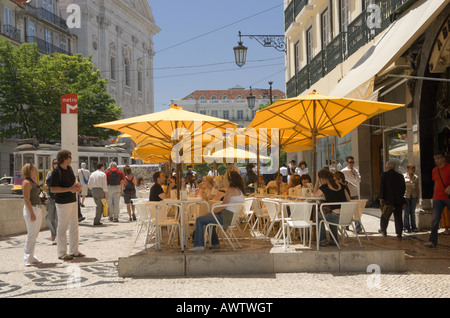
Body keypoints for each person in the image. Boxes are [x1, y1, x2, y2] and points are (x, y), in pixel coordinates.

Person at [190, 170, 246, 252]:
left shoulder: (230, 190)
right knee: (209, 218)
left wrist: (213, 211)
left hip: (225, 217)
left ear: (230, 181)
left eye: (226, 180)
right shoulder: (240, 191)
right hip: (232, 218)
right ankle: (214, 243)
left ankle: (199, 245)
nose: (225, 181)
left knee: (199, 220)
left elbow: (224, 205)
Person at [50, 150, 84, 261]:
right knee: (63, 227)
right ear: (64, 158)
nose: (71, 158)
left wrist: (76, 184)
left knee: (74, 225)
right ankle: (62, 253)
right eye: (69, 156)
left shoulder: (69, 168)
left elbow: (73, 179)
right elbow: (53, 189)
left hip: (72, 200)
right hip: (62, 202)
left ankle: (74, 250)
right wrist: (70, 189)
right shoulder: (56, 172)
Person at [313, 169, 350, 246]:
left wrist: (316, 181)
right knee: (330, 215)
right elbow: (348, 199)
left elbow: (315, 195)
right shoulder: (342, 186)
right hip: (345, 216)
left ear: (322, 179)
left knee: (319, 217)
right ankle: (334, 240)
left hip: (335, 217)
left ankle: (323, 240)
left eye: (320, 180)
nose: (320, 182)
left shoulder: (324, 187)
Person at [22, 163, 47, 266]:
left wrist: (43, 199)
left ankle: (31, 256)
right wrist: (32, 213)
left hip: (37, 208)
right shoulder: (26, 182)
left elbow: (37, 194)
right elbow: (26, 199)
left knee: (35, 234)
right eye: (35, 170)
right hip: (31, 209)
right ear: (29, 171)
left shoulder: (33, 182)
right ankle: (27, 257)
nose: (37, 171)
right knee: (31, 234)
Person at [426, 151, 450, 248]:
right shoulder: (434, 170)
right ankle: (432, 241)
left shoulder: (449, 167)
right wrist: (433, 196)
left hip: (448, 197)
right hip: (437, 198)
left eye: (439, 158)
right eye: (435, 158)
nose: (437, 160)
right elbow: (436, 184)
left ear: (444, 158)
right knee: (434, 220)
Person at [378, 160, 406, 238]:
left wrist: (381, 198)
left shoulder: (384, 175)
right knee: (398, 217)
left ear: (387, 167)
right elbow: (403, 188)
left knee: (385, 216)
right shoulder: (400, 176)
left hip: (387, 200)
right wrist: (400, 196)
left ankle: (383, 230)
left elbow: (381, 187)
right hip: (398, 200)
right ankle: (399, 232)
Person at [44, 159, 58, 242]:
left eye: (57, 163)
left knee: (57, 218)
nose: (55, 165)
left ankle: (56, 234)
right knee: (49, 217)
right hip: (51, 197)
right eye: (54, 163)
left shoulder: (61, 173)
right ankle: (53, 233)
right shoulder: (50, 173)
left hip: (59, 198)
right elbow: (46, 185)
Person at [403, 163, 420, 233]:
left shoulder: (416, 177)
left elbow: (417, 188)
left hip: (413, 196)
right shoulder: (403, 177)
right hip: (406, 196)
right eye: (411, 168)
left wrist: (418, 198)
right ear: (408, 169)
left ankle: (414, 226)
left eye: (414, 168)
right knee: (406, 212)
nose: (413, 170)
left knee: (412, 212)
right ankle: (406, 227)